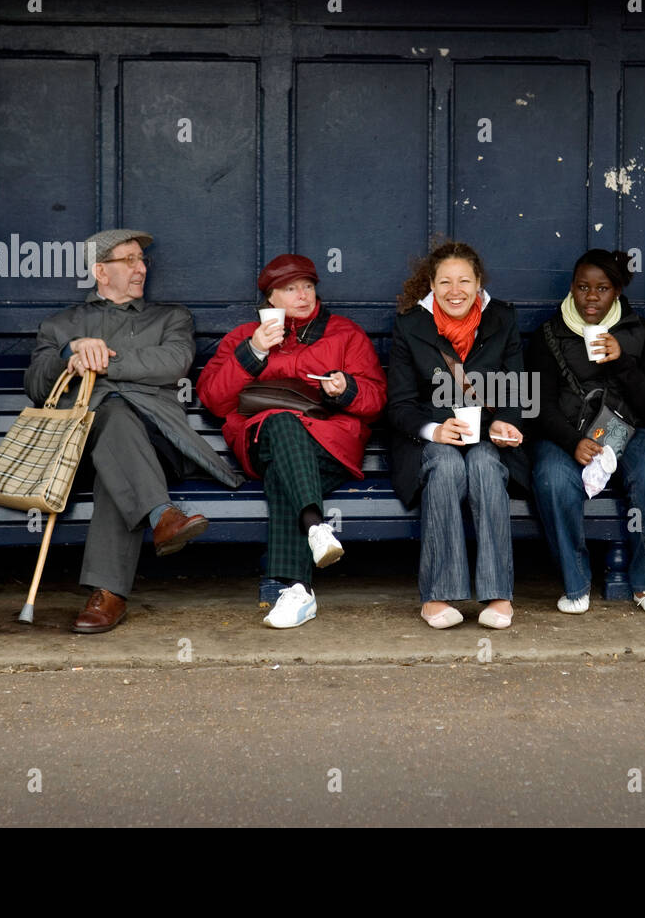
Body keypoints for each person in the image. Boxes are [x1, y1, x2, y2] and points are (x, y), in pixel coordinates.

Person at [24, 228, 241, 634]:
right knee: (112, 433)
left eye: (142, 260)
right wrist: (69, 354)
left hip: (157, 441)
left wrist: (102, 360)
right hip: (77, 452)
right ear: (101, 272)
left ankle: (108, 594)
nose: (141, 268)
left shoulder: (170, 317)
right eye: (129, 260)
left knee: (118, 428)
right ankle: (161, 517)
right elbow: (37, 387)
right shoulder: (61, 326)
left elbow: (174, 361)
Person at [196, 254, 386, 628]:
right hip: (262, 440)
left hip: (328, 446)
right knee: (282, 423)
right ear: (270, 300)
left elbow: (377, 400)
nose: (302, 295)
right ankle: (314, 529)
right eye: (290, 289)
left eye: (308, 286)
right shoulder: (244, 337)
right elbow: (214, 401)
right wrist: (254, 352)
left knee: (282, 475)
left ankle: (292, 584)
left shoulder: (344, 334)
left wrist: (347, 390)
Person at [527, 249, 645, 614]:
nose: (591, 296)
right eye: (583, 287)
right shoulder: (548, 335)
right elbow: (536, 407)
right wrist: (571, 441)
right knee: (551, 478)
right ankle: (576, 583)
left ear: (617, 292)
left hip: (629, 432)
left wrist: (622, 361)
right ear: (572, 288)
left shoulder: (637, 333)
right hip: (567, 433)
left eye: (603, 288)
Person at [387, 241, 528, 629]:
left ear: (478, 281)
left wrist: (506, 422)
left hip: (486, 438)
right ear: (431, 284)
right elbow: (399, 405)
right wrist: (435, 430)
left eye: (464, 280)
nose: (455, 290)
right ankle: (437, 595)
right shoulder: (410, 325)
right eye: (445, 281)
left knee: (484, 463)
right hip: (427, 441)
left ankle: (499, 595)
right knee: (447, 464)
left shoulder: (502, 318)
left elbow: (516, 391)